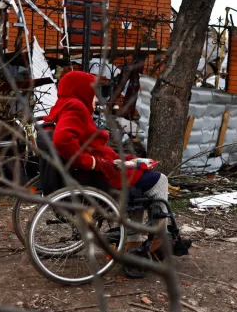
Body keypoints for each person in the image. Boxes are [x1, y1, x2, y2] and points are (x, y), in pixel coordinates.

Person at [44, 70, 169, 229]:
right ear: (82, 90)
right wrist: (93, 163)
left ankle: (134, 236)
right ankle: (158, 237)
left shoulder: (63, 104)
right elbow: (63, 140)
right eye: (94, 93)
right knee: (159, 180)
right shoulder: (75, 106)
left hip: (92, 170)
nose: (96, 99)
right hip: (99, 175)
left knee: (139, 173)